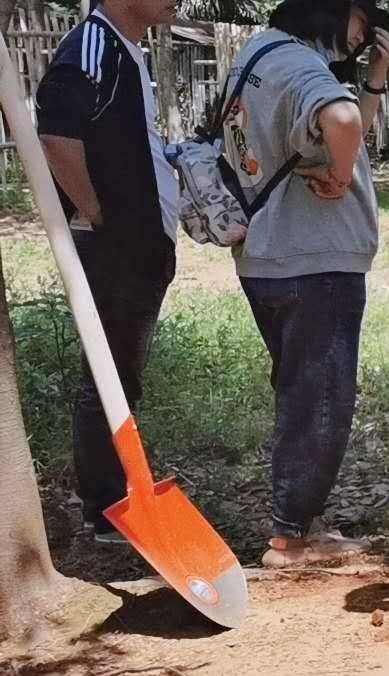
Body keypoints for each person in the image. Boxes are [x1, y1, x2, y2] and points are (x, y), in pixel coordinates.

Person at [222, 0, 389, 567]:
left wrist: (374, 80)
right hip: (315, 260)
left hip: (269, 256)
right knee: (319, 401)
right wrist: (342, 179)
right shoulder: (301, 66)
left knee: (300, 392)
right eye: (361, 22)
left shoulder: (256, 56)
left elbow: (349, 123)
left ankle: (303, 522)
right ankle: (291, 539)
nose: (363, 36)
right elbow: (341, 121)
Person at [34, 0, 182, 546]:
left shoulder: (126, 51)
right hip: (116, 248)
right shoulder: (92, 46)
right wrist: (98, 213)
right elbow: (54, 137)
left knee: (119, 373)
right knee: (107, 376)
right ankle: (106, 507)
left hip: (138, 247)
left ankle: (114, 497)